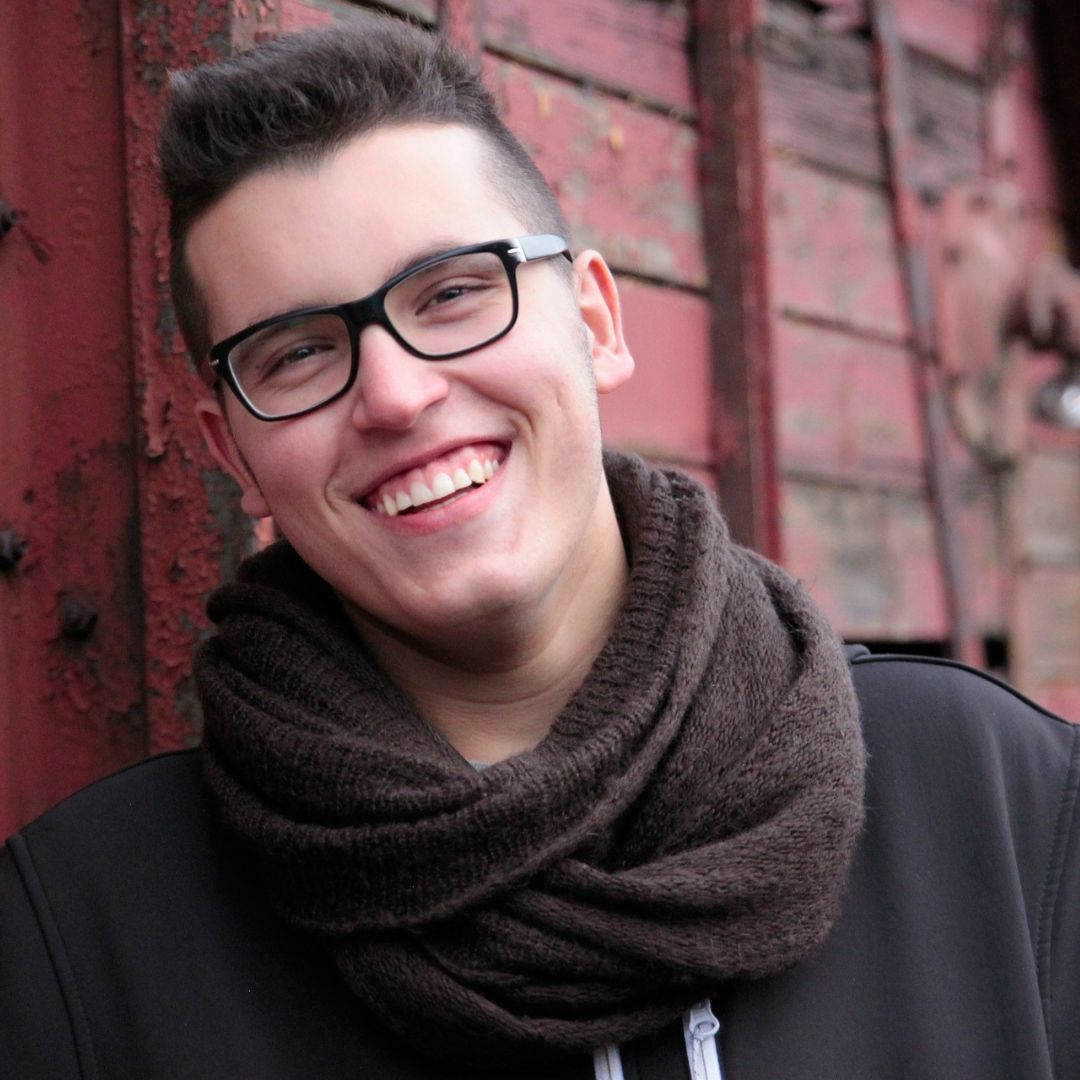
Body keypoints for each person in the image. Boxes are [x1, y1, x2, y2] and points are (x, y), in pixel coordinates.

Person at [2, 17, 1077, 1080]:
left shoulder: (998, 807)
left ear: (596, 321)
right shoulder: (86, 941)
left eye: (457, 292)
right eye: (295, 354)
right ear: (229, 450)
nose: (396, 392)